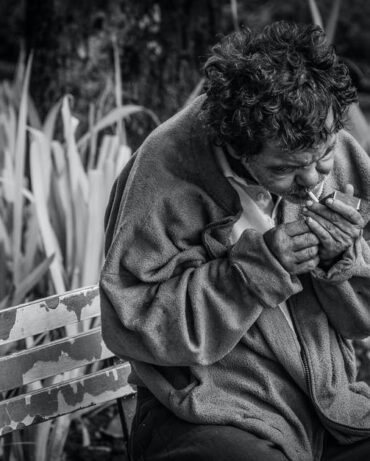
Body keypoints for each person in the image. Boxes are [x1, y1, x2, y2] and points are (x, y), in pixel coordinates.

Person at [99, 21, 370, 461]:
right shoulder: (163, 172)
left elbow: (362, 317)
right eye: (285, 169)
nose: (312, 181)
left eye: (322, 159)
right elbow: (135, 322)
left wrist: (345, 258)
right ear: (237, 146)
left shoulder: (330, 144)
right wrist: (255, 270)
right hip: (206, 413)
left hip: (329, 403)